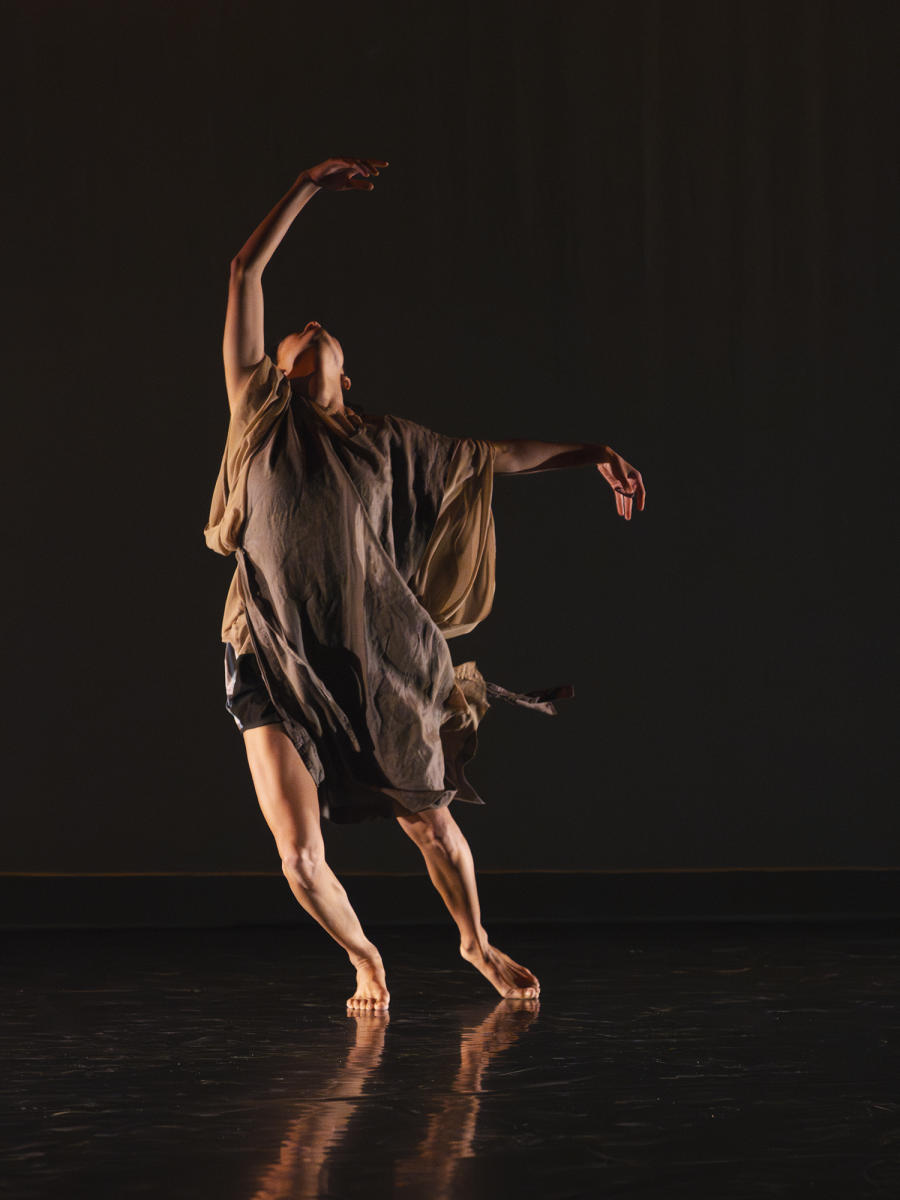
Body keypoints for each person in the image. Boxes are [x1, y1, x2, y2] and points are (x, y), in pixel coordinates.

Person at [205, 156, 645, 1013]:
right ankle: (366, 960)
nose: (312, 325)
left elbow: (494, 457)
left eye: (320, 331)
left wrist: (592, 454)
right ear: (282, 361)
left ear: (347, 374)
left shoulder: (387, 442)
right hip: (266, 655)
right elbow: (243, 271)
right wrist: (302, 187)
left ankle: (475, 942)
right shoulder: (259, 410)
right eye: (298, 329)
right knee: (298, 856)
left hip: (369, 658)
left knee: (437, 823)